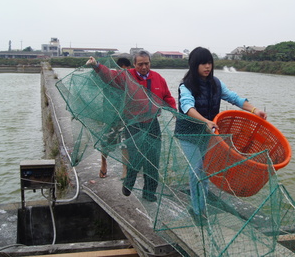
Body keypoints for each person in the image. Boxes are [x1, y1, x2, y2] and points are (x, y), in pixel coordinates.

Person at [175, 47, 267, 223]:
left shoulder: (216, 83)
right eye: (202, 63)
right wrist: (206, 121)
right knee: (197, 169)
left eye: (209, 62)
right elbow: (187, 107)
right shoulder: (185, 86)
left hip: (208, 134)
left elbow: (234, 98)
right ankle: (197, 210)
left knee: (206, 169)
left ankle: (201, 206)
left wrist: (255, 110)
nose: (207, 66)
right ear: (193, 65)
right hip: (188, 134)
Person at [87, 51, 176, 202]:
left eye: (146, 63)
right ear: (134, 64)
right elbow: (109, 75)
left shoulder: (158, 78)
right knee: (136, 156)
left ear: (150, 63)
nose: (144, 67)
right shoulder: (126, 76)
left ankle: (149, 193)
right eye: (140, 64)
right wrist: (96, 66)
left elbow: (167, 96)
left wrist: (173, 108)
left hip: (152, 122)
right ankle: (129, 183)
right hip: (133, 123)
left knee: (153, 159)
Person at [98, 57, 131, 178]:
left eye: (128, 68)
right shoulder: (110, 77)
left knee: (124, 143)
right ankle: (103, 163)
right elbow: (102, 72)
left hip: (125, 117)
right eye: (124, 68)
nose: (126, 71)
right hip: (111, 116)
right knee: (106, 142)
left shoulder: (130, 79)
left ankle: (125, 169)